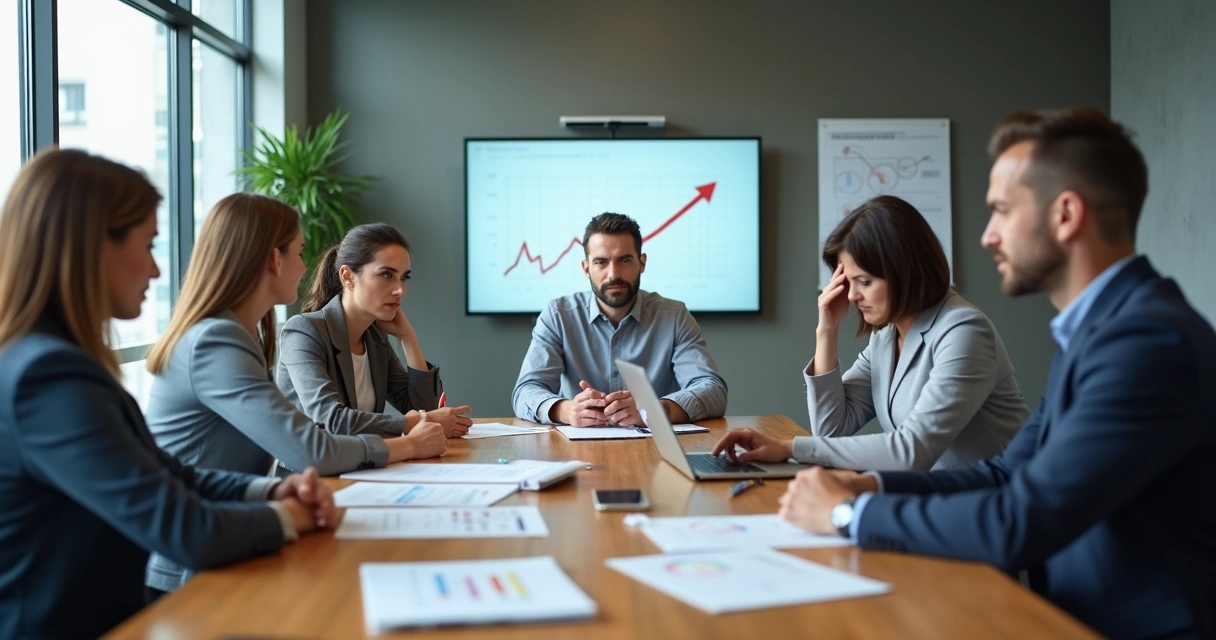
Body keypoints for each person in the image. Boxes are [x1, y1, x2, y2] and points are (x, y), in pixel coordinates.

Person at [779, 107, 1216, 640]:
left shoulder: (1146, 342)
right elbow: (1005, 474)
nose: (987, 237)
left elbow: (1021, 518)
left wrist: (851, 515)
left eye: (1003, 211)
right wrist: (866, 482)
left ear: (1066, 214)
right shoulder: (1102, 331)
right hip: (1067, 613)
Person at [0, 149, 336, 639]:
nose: (158, 272)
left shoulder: (48, 360)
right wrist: (290, 516)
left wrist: (268, 490)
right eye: (148, 244)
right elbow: (188, 531)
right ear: (92, 245)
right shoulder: (48, 377)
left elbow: (164, 471)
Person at [143, 196, 447, 592]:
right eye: (300, 252)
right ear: (274, 259)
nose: (306, 267)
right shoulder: (217, 341)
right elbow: (312, 447)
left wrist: (408, 339)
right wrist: (408, 442)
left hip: (224, 535)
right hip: (188, 563)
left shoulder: (236, 335)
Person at [712, 196, 1027, 471]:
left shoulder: (964, 331)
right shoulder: (886, 337)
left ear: (905, 272)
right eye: (849, 282)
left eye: (864, 281)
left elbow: (911, 451)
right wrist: (827, 330)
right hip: (938, 501)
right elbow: (831, 430)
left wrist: (791, 448)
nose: (851, 296)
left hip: (1000, 510)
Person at [512, 212, 727, 427]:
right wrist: (566, 411)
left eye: (624, 260)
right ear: (586, 269)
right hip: (579, 451)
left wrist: (655, 409)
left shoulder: (674, 316)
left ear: (642, 263)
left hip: (655, 450)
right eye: (601, 262)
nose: (613, 274)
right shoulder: (558, 315)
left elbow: (712, 389)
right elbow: (525, 391)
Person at [278, 223, 472, 439]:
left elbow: (425, 408)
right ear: (348, 277)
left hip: (366, 467)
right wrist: (413, 422)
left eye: (404, 277)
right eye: (387, 275)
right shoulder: (304, 332)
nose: (400, 290)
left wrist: (408, 338)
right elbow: (330, 418)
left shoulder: (374, 339)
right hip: (312, 472)